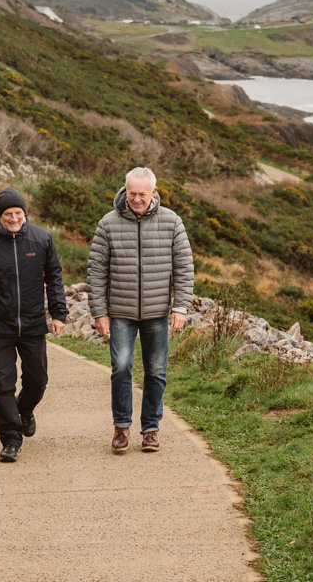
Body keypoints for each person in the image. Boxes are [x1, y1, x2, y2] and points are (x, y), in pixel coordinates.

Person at [87, 166, 194, 454]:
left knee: (156, 371)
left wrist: (180, 307)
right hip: (120, 311)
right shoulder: (108, 224)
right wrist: (99, 312)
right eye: (131, 193)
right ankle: (121, 427)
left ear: (154, 193)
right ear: (124, 190)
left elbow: (184, 268)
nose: (136, 199)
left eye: (142, 194)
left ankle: (150, 430)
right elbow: (96, 272)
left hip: (158, 311)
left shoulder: (172, 222)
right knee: (121, 367)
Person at [0, 189, 68, 463]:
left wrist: (58, 314)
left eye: (18, 213)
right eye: (8, 214)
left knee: (38, 380)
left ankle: (24, 409)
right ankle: (10, 439)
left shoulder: (41, 238)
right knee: (1, 385)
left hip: (32, 325)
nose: (14, 218)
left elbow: (54, 277)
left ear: (24, 213)